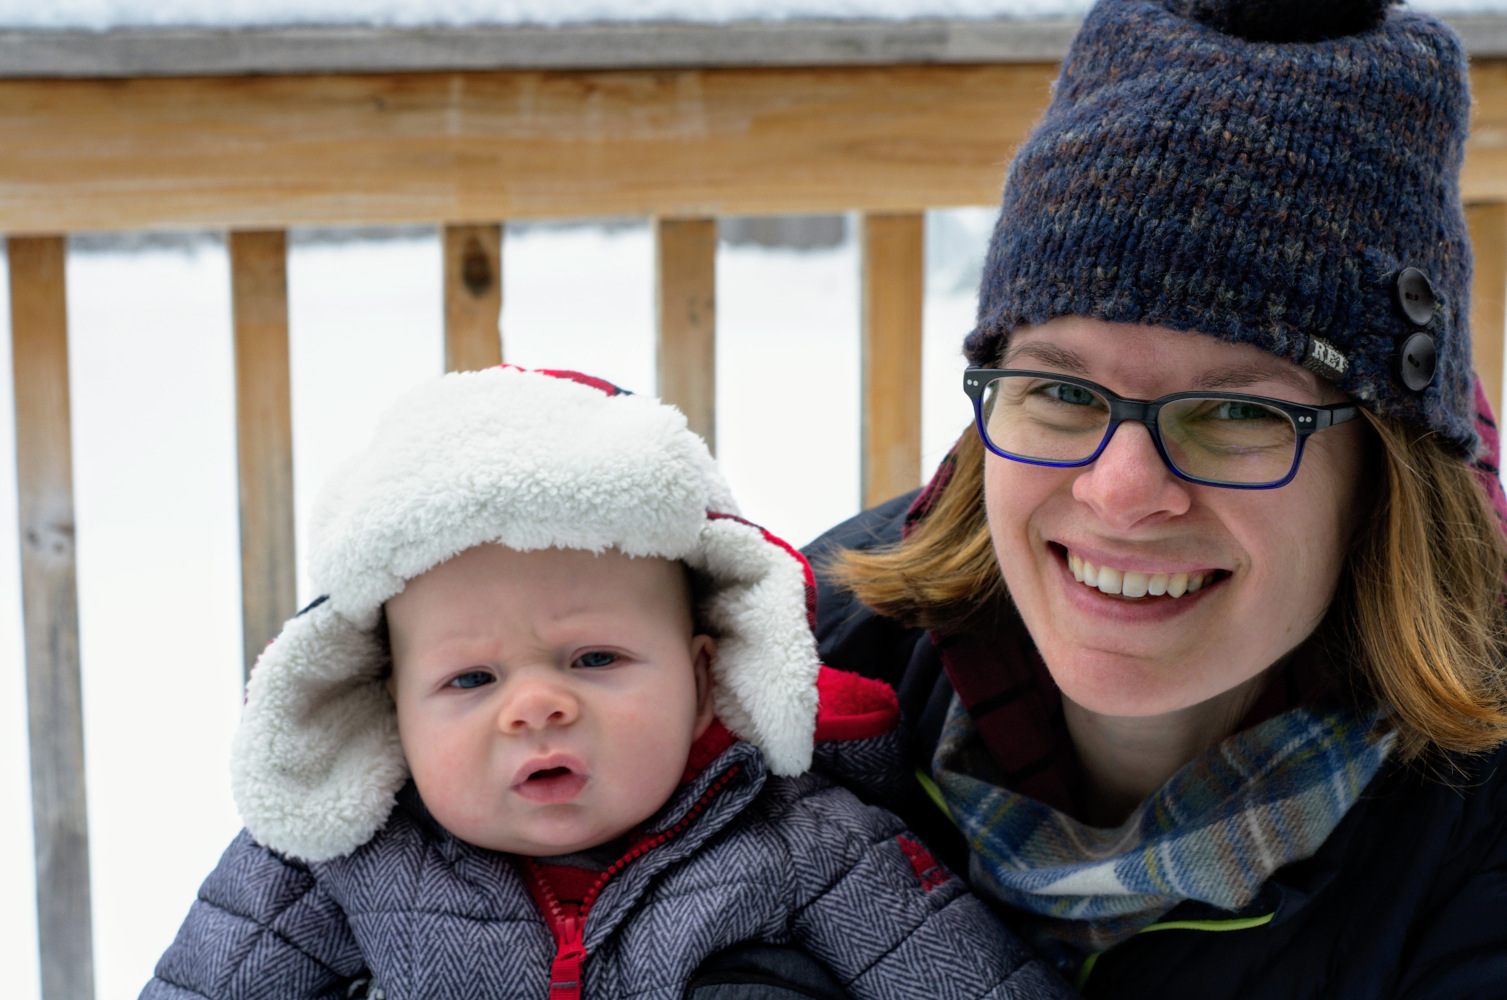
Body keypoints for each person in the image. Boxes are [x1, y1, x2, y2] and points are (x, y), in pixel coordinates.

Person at [808, 0, 1507, 997]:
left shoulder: (1474, 830)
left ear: (1382, 478)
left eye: (1228, 411)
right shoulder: (799, 675)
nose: (1123, 489)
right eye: (1058, 389)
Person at [141, 365, 1071, 1000]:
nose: (537, 703)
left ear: (704, 680)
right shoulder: (326, 866)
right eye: (470, 678)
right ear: (388, 711)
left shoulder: (811, 843)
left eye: (594, 659)